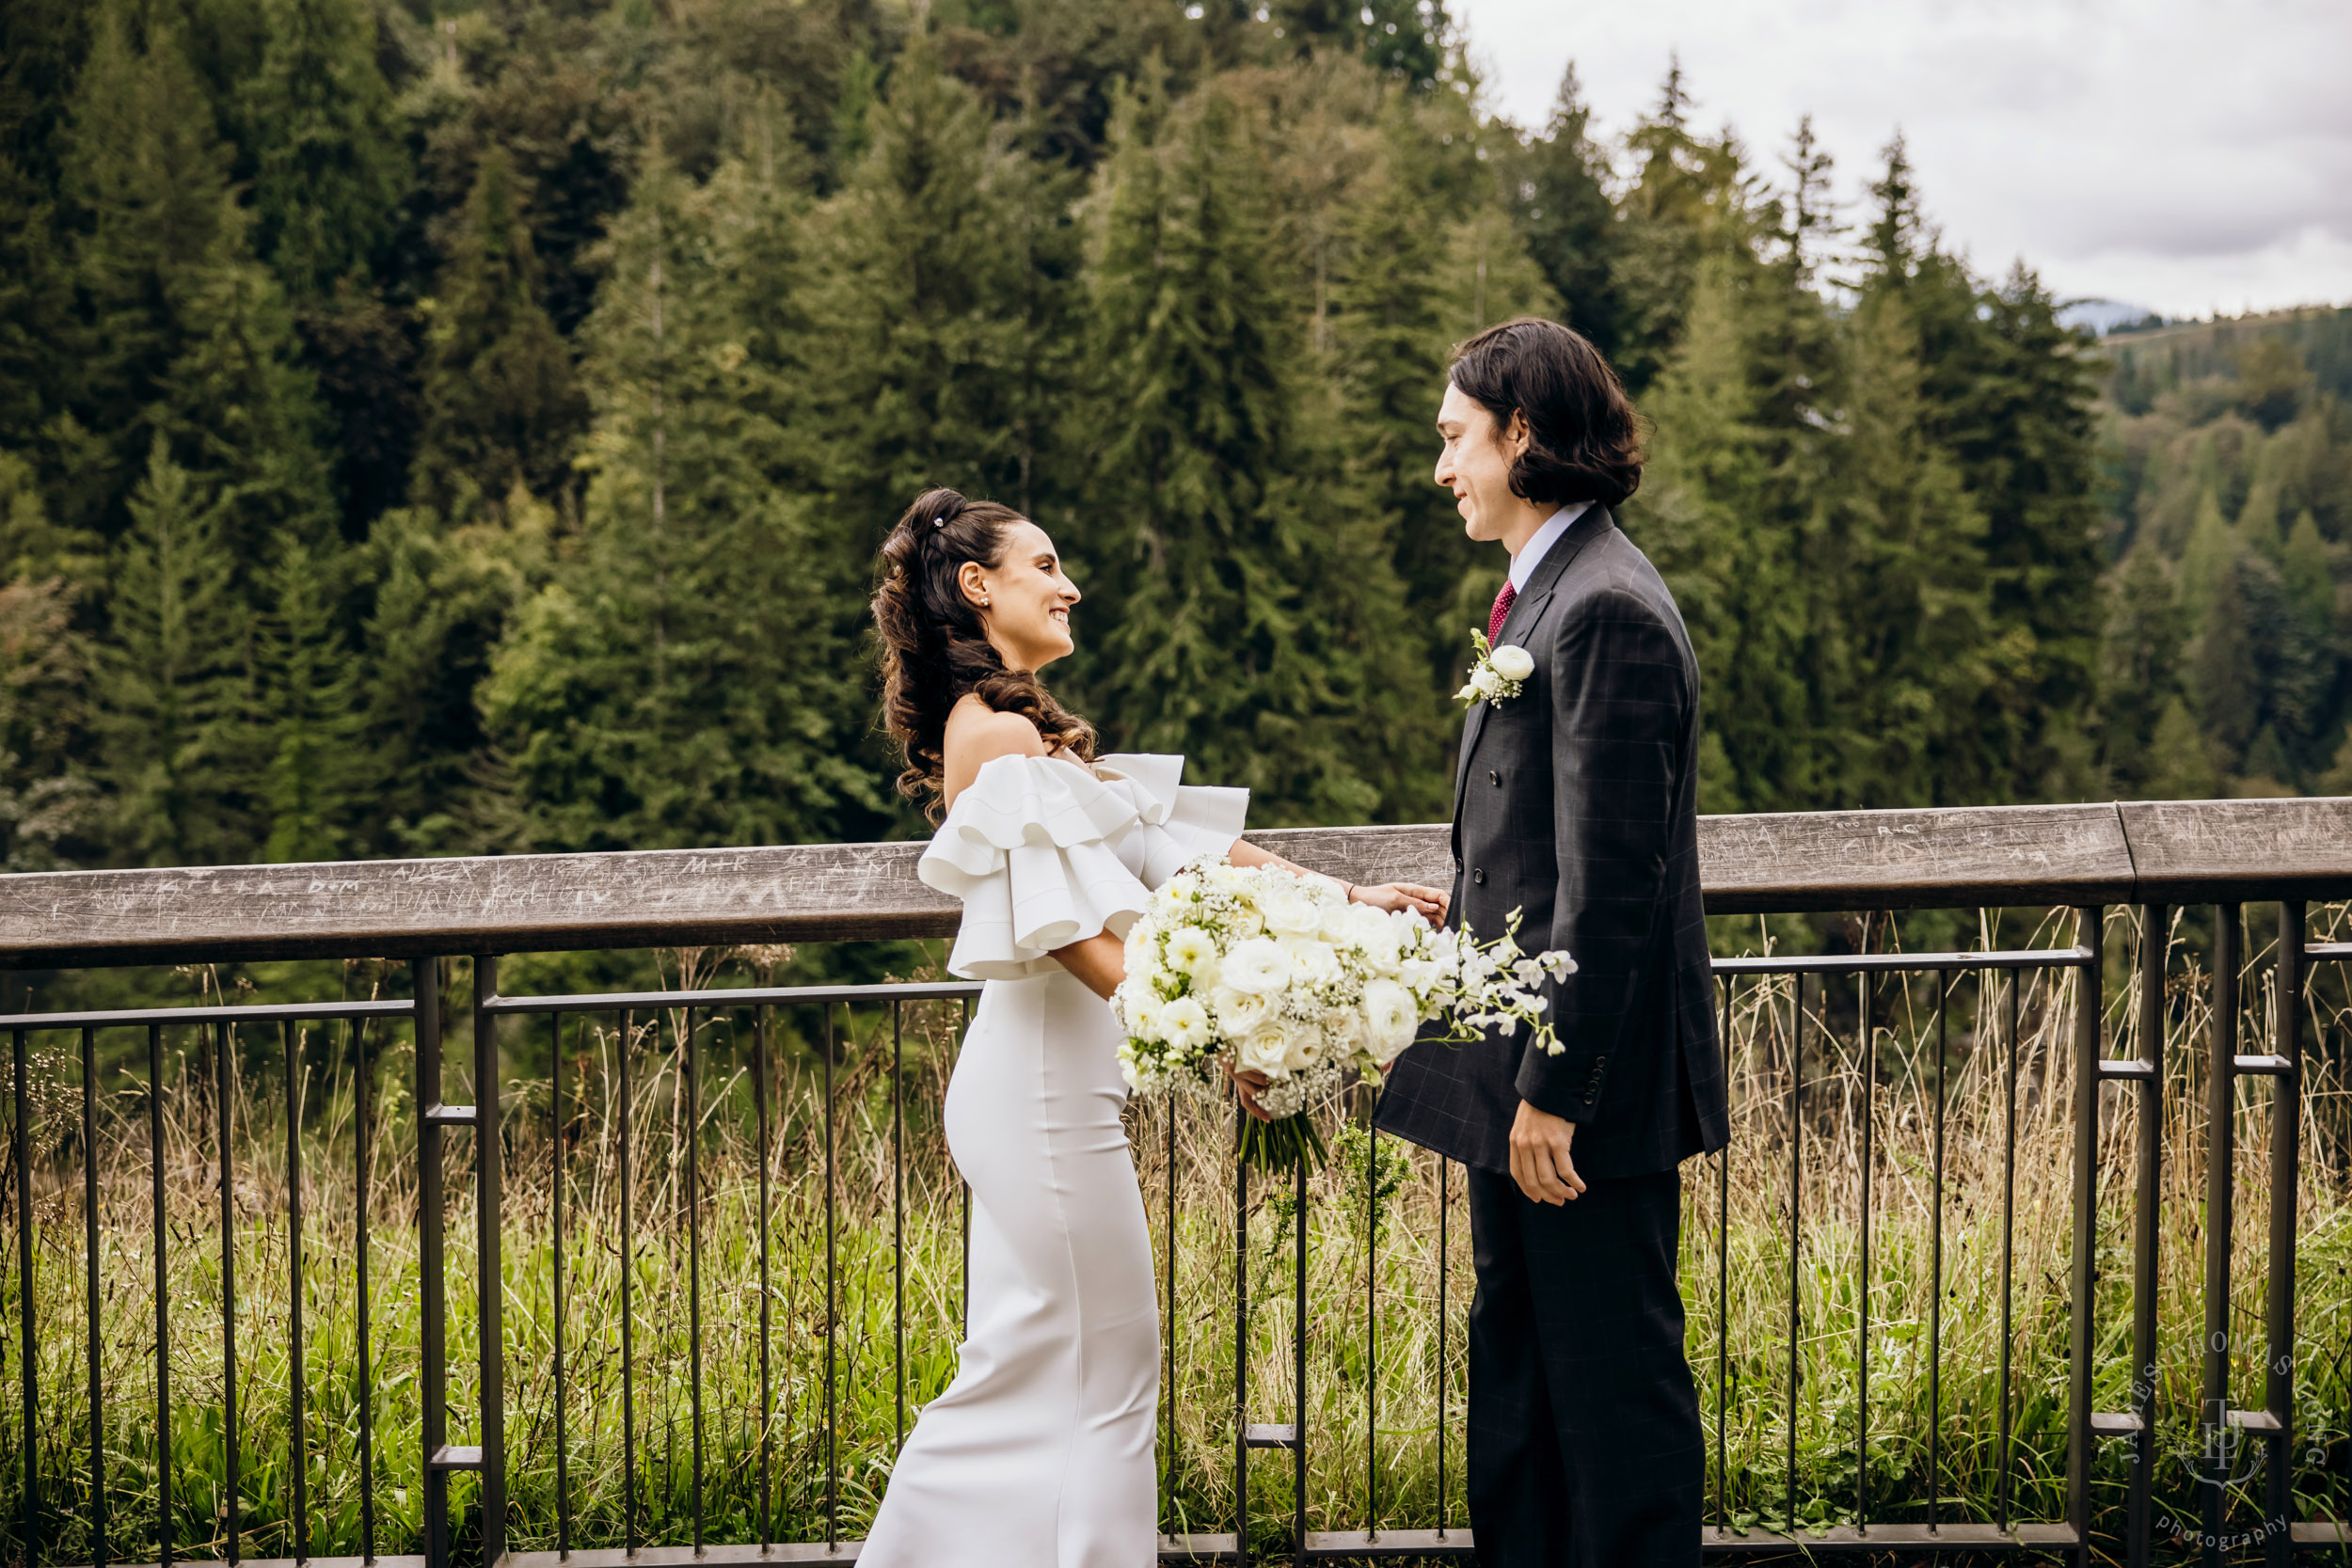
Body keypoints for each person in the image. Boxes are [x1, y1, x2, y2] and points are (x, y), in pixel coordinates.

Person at [862, 486, 1445, 1567]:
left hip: (1043, 1093)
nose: (1068, 582)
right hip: (1039, 1100)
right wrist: (1224, 1044)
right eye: (1043, 564)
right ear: (979, 585)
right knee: (1111, 1372)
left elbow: (1180, 847)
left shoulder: (1025, 730)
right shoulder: (990, 735)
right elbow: (1073, 935)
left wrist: (1342, 898)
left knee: (1030, 1366)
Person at [1372, 318, 1731, 1565]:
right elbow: (1541, 845)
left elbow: (1616, 884)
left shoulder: (1609, 611)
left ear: (1520, 435)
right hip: (1519, 1076)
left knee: (1611, 1396)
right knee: (1523, 1382)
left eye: (1454, 437)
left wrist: (1555, 1090)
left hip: (1580, 1097)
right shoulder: (1550, 592)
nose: (1441, 467)